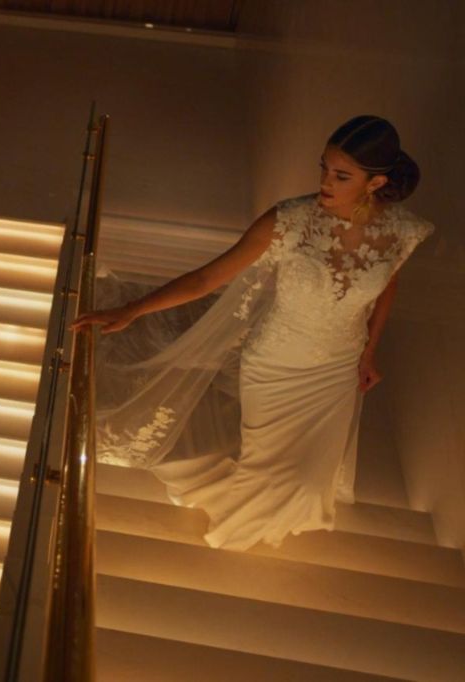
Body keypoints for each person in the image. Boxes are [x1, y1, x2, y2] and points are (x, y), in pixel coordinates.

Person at [71, 115, 435, 551]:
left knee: (310, 472)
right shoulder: (290, 221)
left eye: (341, 175)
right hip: (275, 366)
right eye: (324, 168)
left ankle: (281, 522)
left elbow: (386, 285)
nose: (325, 181)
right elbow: (206, 279)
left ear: (375, 183)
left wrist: (369, 353)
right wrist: (132, 310)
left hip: (336, 371)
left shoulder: (400, 232)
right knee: (268, 468)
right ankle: (239, 530)